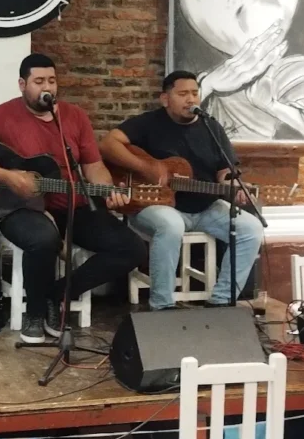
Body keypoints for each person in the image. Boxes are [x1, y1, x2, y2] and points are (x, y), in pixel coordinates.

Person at [0, 54, 145, 344]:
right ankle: (36, 313)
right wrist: (10, 177)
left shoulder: (74, 117)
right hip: (20, 207)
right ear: (22, 84)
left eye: (51, 80)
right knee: (43, 239)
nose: (46, 87)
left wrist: (108, 188)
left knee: (132, 249)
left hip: (73, 204)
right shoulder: (1, 115)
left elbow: (93, 166)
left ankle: (58, 293)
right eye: (38, 81)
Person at [99, 70, 264, 309]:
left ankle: (222, 301)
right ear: (165, 99)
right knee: (171, 225)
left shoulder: (212, 128)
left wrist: (234, 185)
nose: (191, 100)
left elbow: (224, 171)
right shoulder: (148, 123)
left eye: (195, 93)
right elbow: (107, 144)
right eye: (183, 93)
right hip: (154, 204)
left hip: (205, 207)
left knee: (251, 228)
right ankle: (162, 304)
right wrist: (147, 167)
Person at [173, 0, 304, 141]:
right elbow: (173, 138)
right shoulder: (197, 79)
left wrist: (271, 106)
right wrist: (209, 85)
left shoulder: (296, 73)